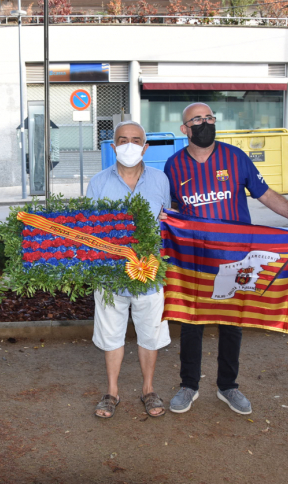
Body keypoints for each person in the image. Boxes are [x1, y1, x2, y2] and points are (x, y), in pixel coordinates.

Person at [163, 103, 288, 416]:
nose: (205, 123)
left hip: (236, 258)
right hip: (196, 262)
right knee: (191, 322)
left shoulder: (236, 158)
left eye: (210, 118)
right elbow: (169, 214)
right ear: (185, 129)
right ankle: (189, 385)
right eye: (197, 119)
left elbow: (265, 194)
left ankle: (228, 386)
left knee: (233, 322)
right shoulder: (173, 166)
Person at [86, 120, 171, 419]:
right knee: (111, 336)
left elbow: (168, 223)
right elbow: (89, 229)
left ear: (146, 147)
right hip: (110, 276)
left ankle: (148, 390)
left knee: (151, 334)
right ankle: (112, 392)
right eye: (123, 140)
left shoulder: (161, 180)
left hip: (149, 276)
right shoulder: (98, 182)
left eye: (136, 140)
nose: (129, 145)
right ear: (113, 146)